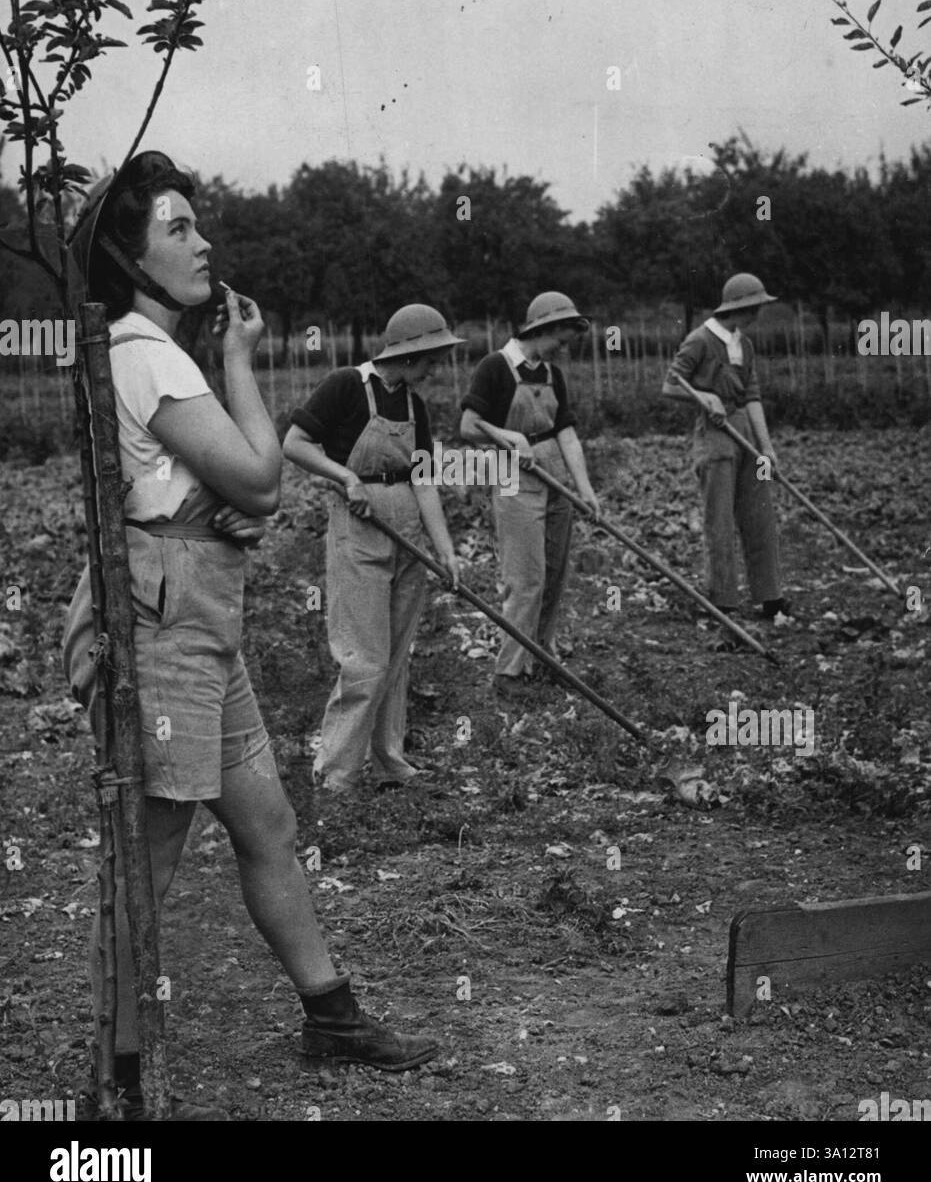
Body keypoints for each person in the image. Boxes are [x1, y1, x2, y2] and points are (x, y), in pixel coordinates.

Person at [62, 153, 438, 1119]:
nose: (204, 243)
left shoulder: (142, 348)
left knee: (267, 823)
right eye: (178, 229)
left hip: (198, 618)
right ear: (127, 255)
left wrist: (216, 505)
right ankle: (118, 1080)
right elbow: (264, 482)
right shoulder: (147, 352)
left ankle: (330, 1014)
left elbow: (225, 496)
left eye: (199, 225)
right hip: (165, 632)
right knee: (147, 858)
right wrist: (238, 362)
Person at [282, 304, 461, 794]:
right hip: (359, 530)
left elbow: (423, 480)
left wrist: (445, 551)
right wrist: (346, 478)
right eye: (432, 358)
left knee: (396, 655)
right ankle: (335, 774)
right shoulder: (345, 385)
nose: (435, 369)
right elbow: (295, 444)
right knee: (364, 658)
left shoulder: (414, 406)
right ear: (408, 354)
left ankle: (388, 759)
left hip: (408, 535)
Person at [459, 291, 599, 697]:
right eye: (562, 337)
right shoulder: (496, 367)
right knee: (526, 577)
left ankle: (542, 657)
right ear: (542, 329)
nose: (564, 346)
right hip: (514, 476)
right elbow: (469, 425)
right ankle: (509, 672)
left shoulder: (552, 374)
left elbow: (566, 432)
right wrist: (506, 436)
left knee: (554, 573)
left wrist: (585, 489)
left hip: (554, 473)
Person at [662, 272, 790, 625]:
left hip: (747, 433)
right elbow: (671, 385)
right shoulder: (699, 340)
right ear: (739, 307)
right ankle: (724, 602)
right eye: (754, 307)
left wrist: (766, 449)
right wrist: (705, 397)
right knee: (719, 520)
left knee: (759, 514)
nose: (757, 315)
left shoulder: (744, 345)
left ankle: (770, 597)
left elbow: (752, 397)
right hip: (716, 435)